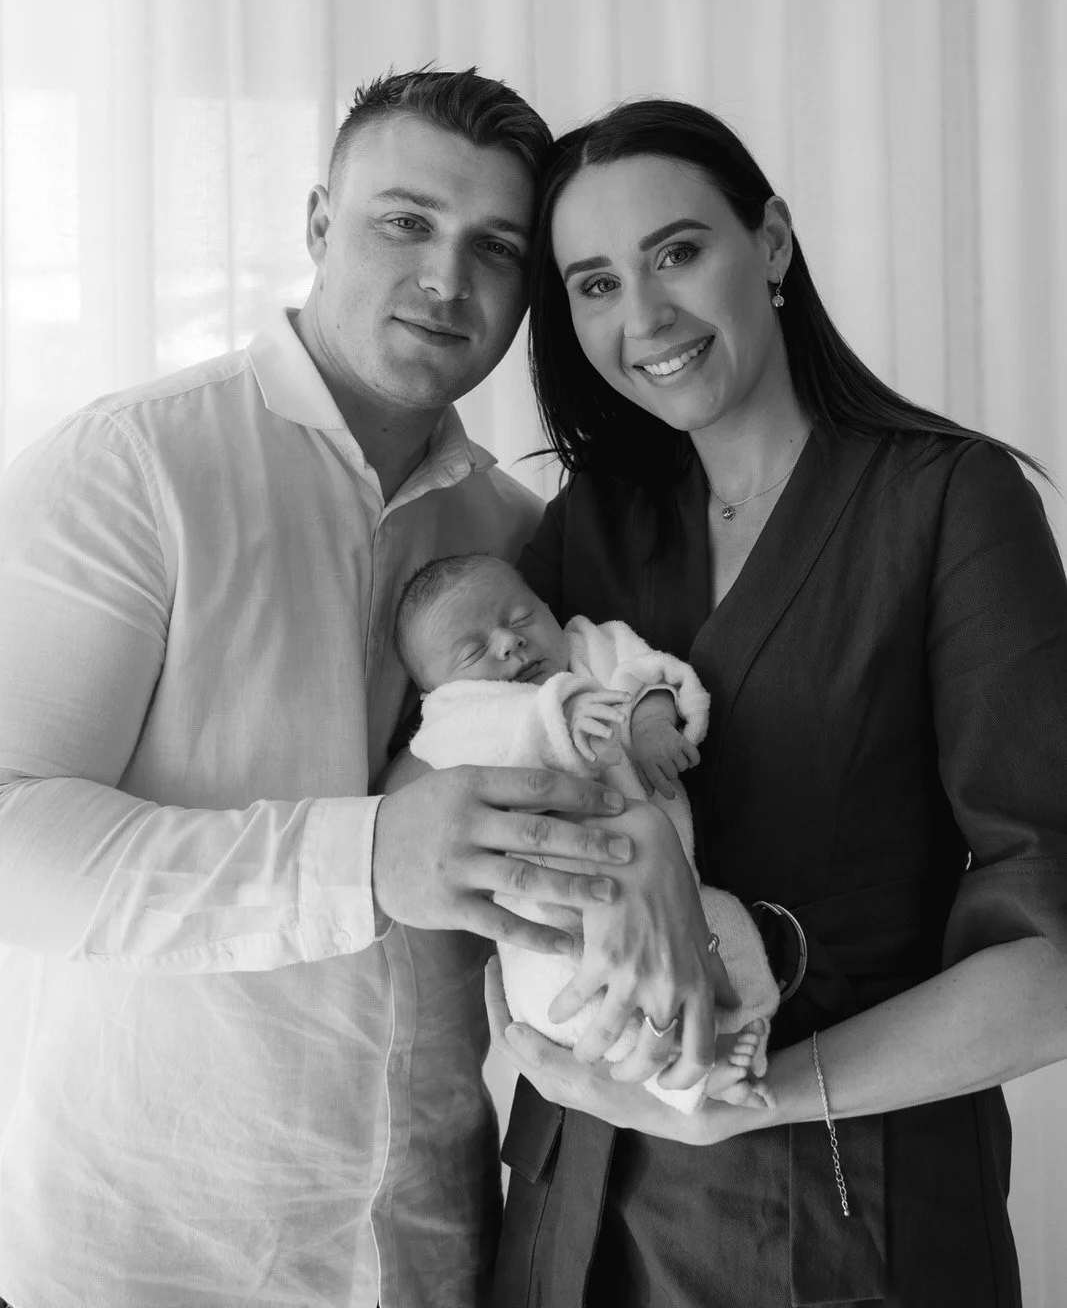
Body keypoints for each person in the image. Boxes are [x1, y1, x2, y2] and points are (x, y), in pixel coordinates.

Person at [0, 68, 653, 1308]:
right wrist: (363, 861)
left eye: (494, 249)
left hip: (430, 1230)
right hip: (146, 1239)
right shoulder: (130, 469)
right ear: (315, 223)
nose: (445, 280)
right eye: (404, 221)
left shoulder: (517, 537)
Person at [486, 99, 1067, 1307]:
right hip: (570, 1212)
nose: (640, 316)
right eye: (592, 283)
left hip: (837, 1218)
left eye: (676, 252)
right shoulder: (595, 525)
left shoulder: (952, 505)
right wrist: (635, 844)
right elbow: (453, 766)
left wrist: (764, 1093)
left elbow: (1050, 960)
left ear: (776, 243)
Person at [393, 550, 779, 1109]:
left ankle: (740, 1029)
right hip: (554, 923)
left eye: (521, 617)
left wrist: (648, 721)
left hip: (677, 891)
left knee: (727, 927)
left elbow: (650, 672)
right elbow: (472, 769)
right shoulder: (452, 720)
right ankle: (685, 1080)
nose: (508, 642)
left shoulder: (591, 646)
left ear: (548, 606)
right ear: (436, 692)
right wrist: (560, 714)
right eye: (474, 651)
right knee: (586, 989)